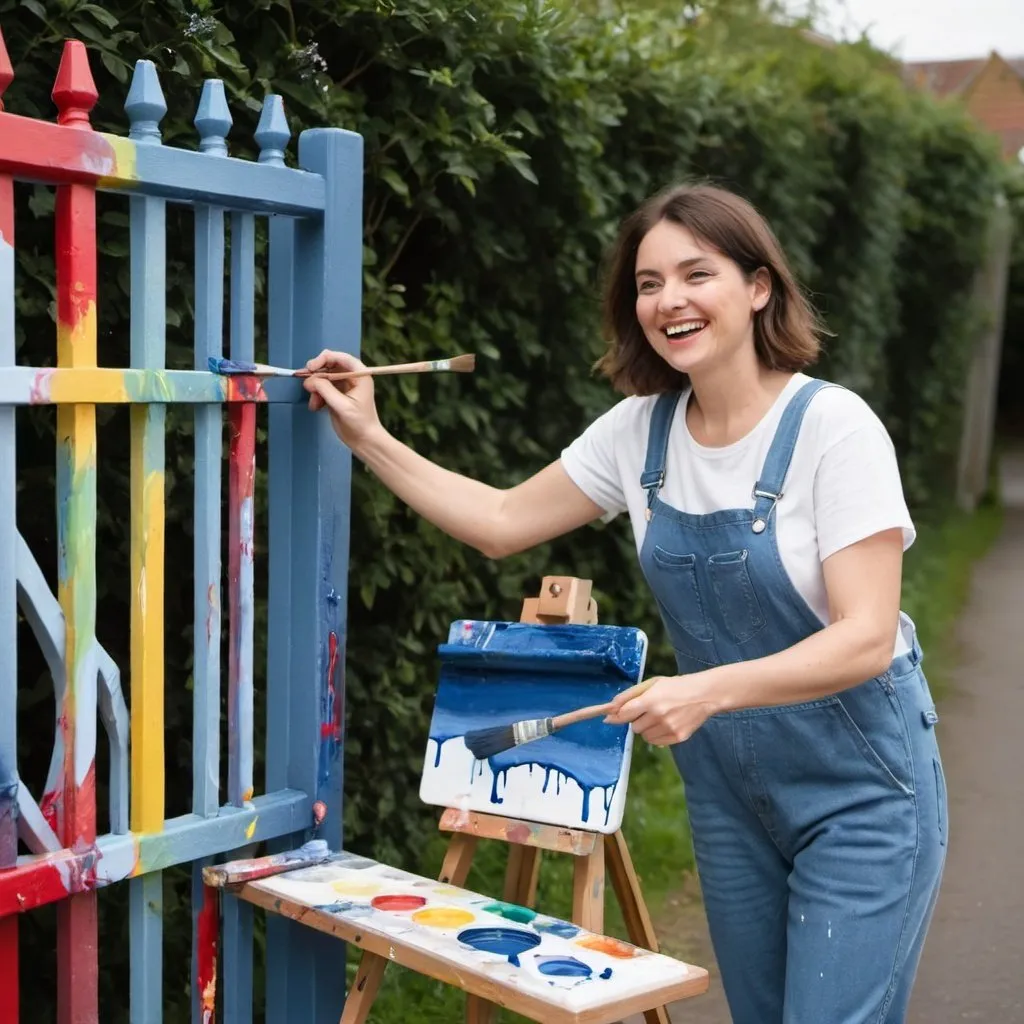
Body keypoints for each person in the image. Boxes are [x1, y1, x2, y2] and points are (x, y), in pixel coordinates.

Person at [303, 183, 946, 1024]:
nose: (669, 300)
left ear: (758, 287)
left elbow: (864, 638)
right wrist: (368, 437)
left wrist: (703, 690)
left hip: (863, 791)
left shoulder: (836, 429)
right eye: (648, 284)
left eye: (695, 274)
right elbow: (500, 521)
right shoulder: (639, 430)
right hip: (732, 796)